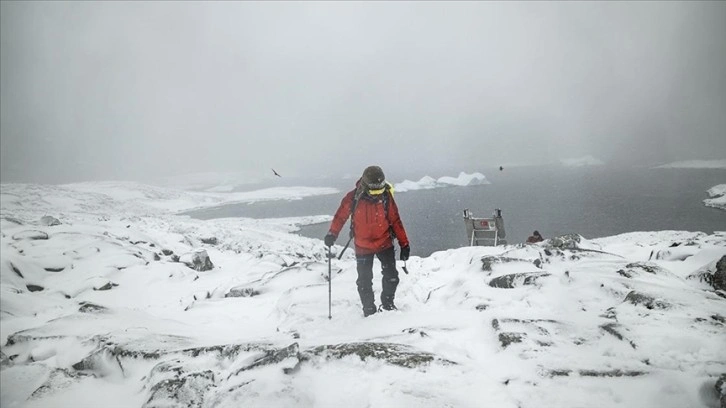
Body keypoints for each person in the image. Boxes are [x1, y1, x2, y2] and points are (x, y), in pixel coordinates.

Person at [324, 165, 410, 317]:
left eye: (380, 190)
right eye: (374, 191)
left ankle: (388, 305)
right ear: (365, 186)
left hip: (385, 242)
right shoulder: (352, 198)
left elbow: (395, 220)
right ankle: (369, 310)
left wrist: (405, 244)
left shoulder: (386, 196)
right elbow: (340, 216)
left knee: (392, 277)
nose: (377, 194)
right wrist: (332, 233)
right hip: (363, 246)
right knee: (364, 281)